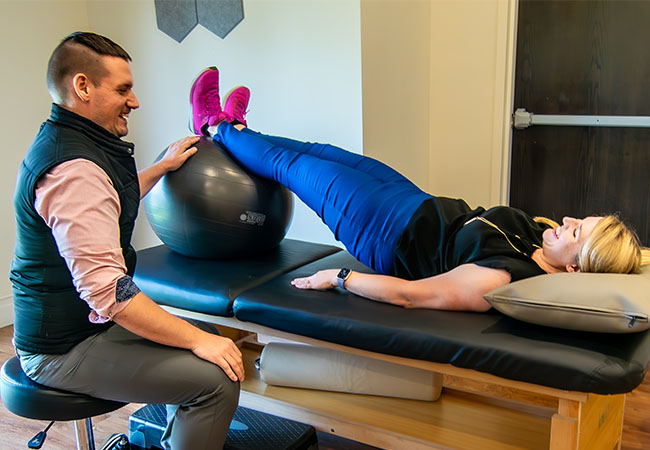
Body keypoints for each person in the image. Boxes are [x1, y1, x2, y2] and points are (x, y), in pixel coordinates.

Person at [189, 68, 649, 313]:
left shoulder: (502, 280)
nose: (566, 221)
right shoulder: (540, 239)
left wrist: (339, 278)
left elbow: (415, 295)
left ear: (574, 270)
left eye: (576, 232)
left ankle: (211, 124)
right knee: (319, 152)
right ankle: (240, 129)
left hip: (382, 232)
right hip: (412, 201)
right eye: (579, 220)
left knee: (291, 167)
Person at [10, 34, 243, 450]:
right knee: (215, 379)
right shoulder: (73, 169)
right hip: (62, 349)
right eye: (123, 89)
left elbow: (106, 197)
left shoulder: (70, 143)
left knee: (204, 335)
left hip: (83, 327)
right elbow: (108, 294)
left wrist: (162, 167)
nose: (134, 101)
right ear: (83, 87)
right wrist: (198, 341)